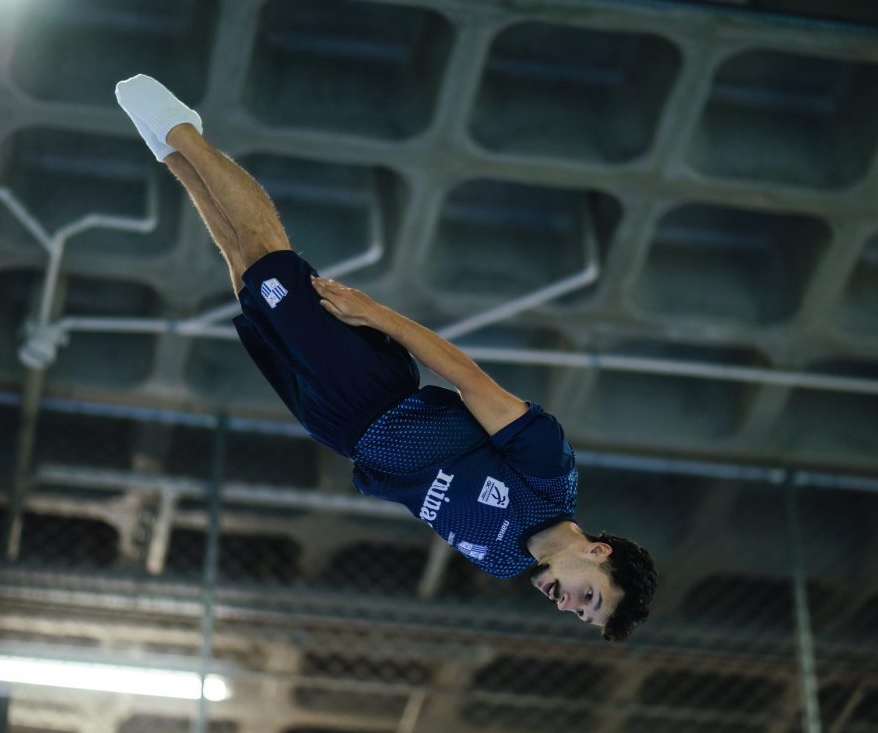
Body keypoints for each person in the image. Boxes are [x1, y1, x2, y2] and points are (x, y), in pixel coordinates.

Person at [115, 75, 657, 641]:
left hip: (342, 431)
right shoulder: (549, 473)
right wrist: (375, 314)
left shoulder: (503, 562)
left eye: (580, 615)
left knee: (246, 281)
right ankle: (184, 132)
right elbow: (467, 378)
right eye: (588, 596)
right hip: (374, 391)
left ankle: (175, 157)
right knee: (268, 260)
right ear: (596, 552)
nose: (568, 606)